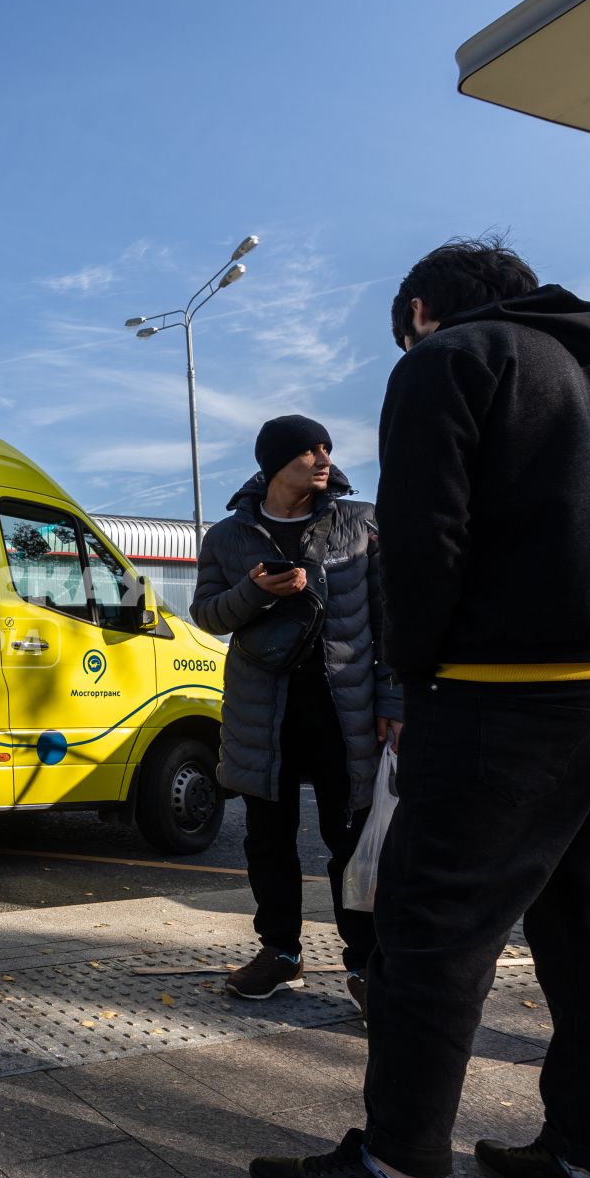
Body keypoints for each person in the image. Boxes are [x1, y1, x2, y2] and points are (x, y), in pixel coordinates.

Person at [251, 239, 590, 1178]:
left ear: (418, 309)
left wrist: (417, 677)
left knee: (432, 935)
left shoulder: (449, 362)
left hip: (503, 688)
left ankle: (394, 1175)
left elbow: (425, 540)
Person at [190, 415, 399, 1011]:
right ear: (275, 463)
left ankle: (364, 963)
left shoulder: (360, 523)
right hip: (264, 708)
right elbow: (207, 615)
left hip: (347, 708)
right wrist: (257, 590)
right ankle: (280, 953)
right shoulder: (229, 537)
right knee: (268, 839)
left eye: (326, 447)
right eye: (309, 450)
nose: (323, 457)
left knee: (351, 838)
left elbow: (391, 620)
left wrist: (394, 702)